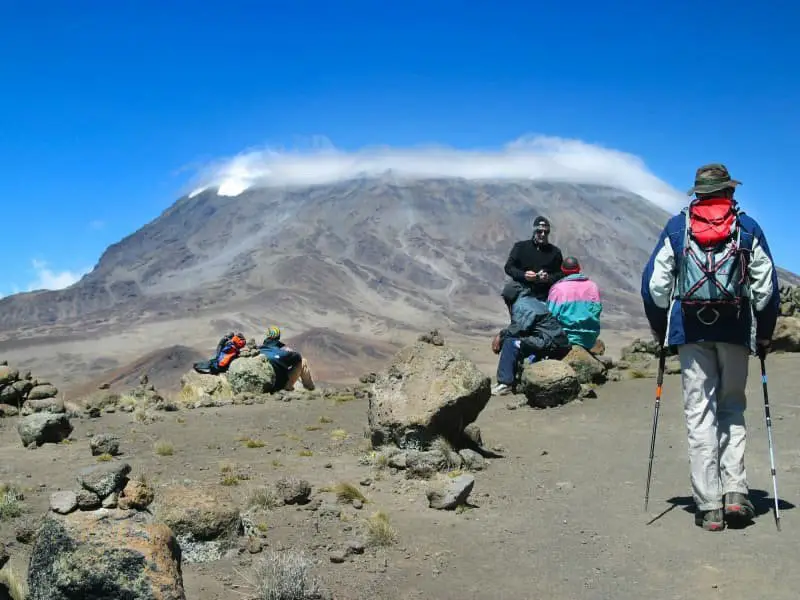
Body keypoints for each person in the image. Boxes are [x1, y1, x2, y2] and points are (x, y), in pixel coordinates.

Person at [641, 163, 780, 532]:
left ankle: (709, 506)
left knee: (699, 413)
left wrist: (661, 330)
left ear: (697, 193)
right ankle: (735, 493)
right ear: (729, 192)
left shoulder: (677, 227)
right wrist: (764, 334)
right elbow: (766, 290)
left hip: (690, 332)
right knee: (732, 408)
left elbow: (654, 286)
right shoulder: (747, 227)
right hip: (735, 331)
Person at [491, 286, 571, 396]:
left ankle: (505, 384)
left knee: (511, 343)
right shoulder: (530, 300)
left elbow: (515, 330)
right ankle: (514, 379)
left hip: (550, 342)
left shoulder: (521, 305)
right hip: (553, 341)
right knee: (521, 341)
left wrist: (500, 336)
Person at [502, 216, 565, 308]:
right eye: (540, 231)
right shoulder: (520, 247)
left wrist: (548, 278)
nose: (543, 234)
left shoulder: (555, 252)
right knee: (509, 291)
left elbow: (561, 274)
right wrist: (524, 275)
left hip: (545, 293)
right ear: (534, 231)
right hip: (522, 290)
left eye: (546, 232)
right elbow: (508, 267)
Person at [547, 256, 602, 350]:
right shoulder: (593, 286)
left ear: (562, 270)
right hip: (589, 338)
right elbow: (597, 310)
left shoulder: (558, 289)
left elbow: (550, 315)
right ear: (579, 269)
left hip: (566, 337)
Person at [258, 326, 316, 391]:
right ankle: (310, 388)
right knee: (303, 361)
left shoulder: (258, 350)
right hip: (279, 387)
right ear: (278, 337)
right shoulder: (283, 353)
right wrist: (290, 352)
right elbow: (298, 357)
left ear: (267, 336)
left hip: (262, 385)